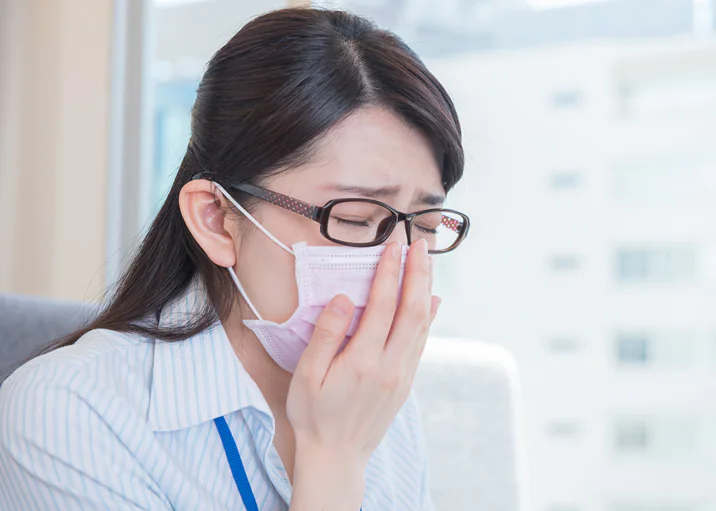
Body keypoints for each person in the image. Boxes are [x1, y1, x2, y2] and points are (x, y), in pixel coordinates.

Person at [0, 7, 468, 510]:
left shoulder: (380, 401)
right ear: (216, 219)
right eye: (353, 218)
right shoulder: (68, 410)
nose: (395, 265)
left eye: (421, 226)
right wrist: (334, 458)